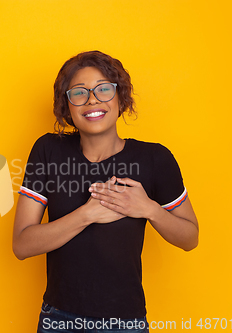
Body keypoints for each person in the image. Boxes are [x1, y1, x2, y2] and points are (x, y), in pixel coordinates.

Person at [12, 50, 199, 333]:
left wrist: (148, 208)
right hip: (58, 319)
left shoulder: (154, 159)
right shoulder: (49, 150)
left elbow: (190, 238)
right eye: (79, 93)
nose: (92, 101)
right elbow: (22, 245)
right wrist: (87, 214)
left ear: (121, 97)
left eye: (103, 90)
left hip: (125, 322)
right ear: (67, 106)